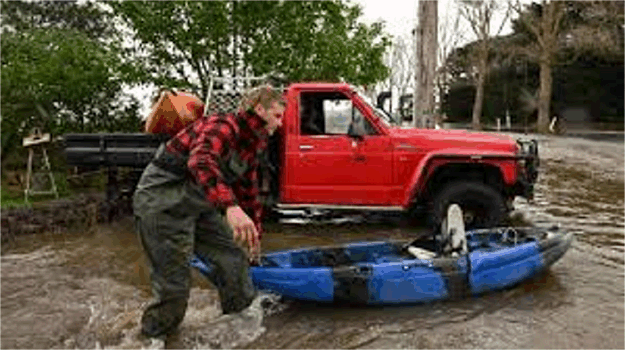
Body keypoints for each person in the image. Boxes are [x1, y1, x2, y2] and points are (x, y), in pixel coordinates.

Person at [132, 85, 285, 344]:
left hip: (201, 203)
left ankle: (239, 329)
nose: (280, 125)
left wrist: (254, 235)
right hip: (162, 202)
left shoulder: (252, 145)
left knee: (235, 257)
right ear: (260, 109)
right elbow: (200, 160)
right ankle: (149, 340)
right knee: (175, 288)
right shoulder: (223, 125)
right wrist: (230, 207)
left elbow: (249, 192)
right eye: (278, 116)